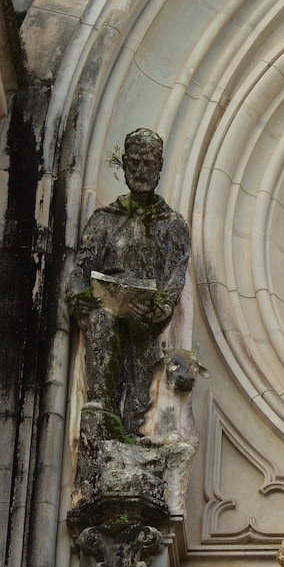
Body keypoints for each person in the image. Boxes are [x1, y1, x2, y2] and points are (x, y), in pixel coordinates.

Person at [68, 128, 190, 437]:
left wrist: (153, 310)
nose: (141, 171)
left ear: (159, 167)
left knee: (137, 397)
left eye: (148, 164)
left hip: (144, 322)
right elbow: (81, 270)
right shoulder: (104, 219)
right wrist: (78, 295)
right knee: (103, 320)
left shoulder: (173, 225)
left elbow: (174, 281)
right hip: (105, 309)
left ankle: (127, 430)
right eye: (134, 163)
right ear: (124, 164)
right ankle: (100, 412)